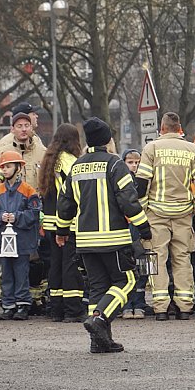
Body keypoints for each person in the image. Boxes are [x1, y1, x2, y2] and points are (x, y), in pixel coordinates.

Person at [56, 117, 152, 353]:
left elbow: (65, 203)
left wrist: (61, 231)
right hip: (114, 238)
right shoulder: (114, 164)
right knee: (126, 281)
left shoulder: (76, 166)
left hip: (85, 240)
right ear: (108, 139)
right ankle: (99, 319)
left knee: (98, 288)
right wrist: (144, 228)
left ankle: (99, 341)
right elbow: (128, 201)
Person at [136, 112, 195, 320]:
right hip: (183, 213)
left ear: (162, 127)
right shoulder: (192, 149)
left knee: (156, 258)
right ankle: (185, 306)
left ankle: (160, 307)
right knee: (183, 259)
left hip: (156, 213)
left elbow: (141, 183)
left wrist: (144, 209)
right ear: (179, 128)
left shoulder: (152, 148)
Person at [38, 124, 85, 323]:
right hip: (67, 223)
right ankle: (73, 310)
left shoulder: (50, 161)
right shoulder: (70, 162)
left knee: (55, 266)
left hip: (50, 223)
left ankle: (56, 308)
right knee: (70, 266)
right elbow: (75, 193)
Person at [0, 150, 42, 321]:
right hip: (4, 242)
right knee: (6, 273)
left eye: (8, 166)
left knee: (21, 273)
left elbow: (34, 214)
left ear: (18, 168)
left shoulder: (28, 190)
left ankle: (22, 305)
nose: (5, 170)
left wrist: (16, 217)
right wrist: (0, 216)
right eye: (3, 167)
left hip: (22, 241)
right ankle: (8, 306)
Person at [120, 148, 150, 320]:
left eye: (137, 162)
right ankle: (127, 304)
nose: (134, 166)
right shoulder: (121, 180)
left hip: (141, 226)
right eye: (130, 162)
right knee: (127, 267)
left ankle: (139, 303)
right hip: (127, 226)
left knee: (143, 264)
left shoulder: (143, 180)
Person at [0, 109, 46, 191]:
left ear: (31, 128)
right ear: (12, 129)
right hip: (10, 202)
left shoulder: (43, 153)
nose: (24, 129)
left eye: (26, 125)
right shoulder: (2, 153)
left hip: (37, 202)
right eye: (19, 126)